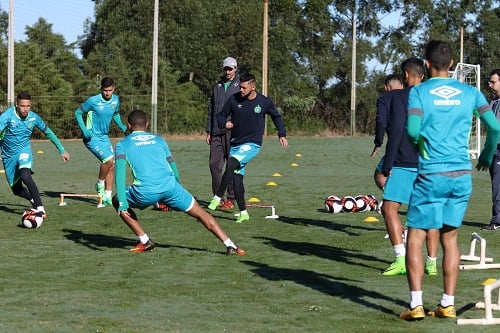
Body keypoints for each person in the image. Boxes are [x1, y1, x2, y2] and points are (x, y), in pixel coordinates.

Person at [400, 40, 500, 321]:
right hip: (461, 174)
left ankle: (416, 304)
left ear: (427, 65)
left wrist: (418, 143)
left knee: (417, 236)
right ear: (453, 65)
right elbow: (495, 126)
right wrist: (487, 154)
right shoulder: (470, 92)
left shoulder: (419, 92)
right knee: (451, 238)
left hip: (431, 173)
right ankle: (447, 303)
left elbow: (412, 129)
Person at [113, 109, 245, 255]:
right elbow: (173, 167)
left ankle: (144, 240)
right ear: (147, 124)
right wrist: (174, 188)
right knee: (201, 213)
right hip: (171, 187)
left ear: (129, 125)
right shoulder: (159, 139)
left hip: (146, 192)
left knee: (116, 199)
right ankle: (230, 244)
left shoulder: (122, 144)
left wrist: (122, 202)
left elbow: (119, 174)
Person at [378, 58, 439, 276]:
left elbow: (393, 131)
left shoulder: (395, 97)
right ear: (423, 74)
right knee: (428, 212)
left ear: (405, 75)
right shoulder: (433, 97)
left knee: (389, 208)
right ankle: (431, 263)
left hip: (403, 161)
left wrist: (387, 163)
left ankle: (401, 259)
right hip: (430, 162)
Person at [207, 72, 288, 223]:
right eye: (240, 87)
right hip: (235, 143)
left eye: (244, 87)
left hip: (252, 144)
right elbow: (220, 115)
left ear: (253, 86)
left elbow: (276, 116)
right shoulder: (234, 99)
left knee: (231, 163)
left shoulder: (264, 102)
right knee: (237, 178)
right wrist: (224, 123)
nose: (241, 90)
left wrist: (281, 134)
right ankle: (244, 212)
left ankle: (217, 197)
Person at [0, 91, 71, 217]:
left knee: (25, 175)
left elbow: (48, 132)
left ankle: (40, 208)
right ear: (17, 104)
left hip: (24, 151)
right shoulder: (6, 116)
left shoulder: (34, 118)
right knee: (16, 190)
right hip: (8, 156)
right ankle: (33, 200)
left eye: (28, 106)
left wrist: (62, 150)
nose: (25, 109)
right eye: (23, 106)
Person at [74, 77, 127, 206]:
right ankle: (99, 184)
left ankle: (107, 196)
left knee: (112, 165)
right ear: (101, 89)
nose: (107, 93)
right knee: (108, 160)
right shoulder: (93, 101)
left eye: (110, 90)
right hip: (91, 137)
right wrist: (84, 130)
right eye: (105, 90)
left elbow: (115, 114)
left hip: (104, 137)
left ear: (113, 88)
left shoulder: (116, 100)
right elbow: (77, 113)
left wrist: (122, 126)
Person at [205, 57, 241, 210]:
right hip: (216, 132)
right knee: (214, 164)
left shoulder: (241, 86)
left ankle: (231, 199)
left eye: (230, 69)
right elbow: (211, 109)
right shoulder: (217, 86)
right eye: (225, 68)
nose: (227, 71)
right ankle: (218, 197)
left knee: (231, 165)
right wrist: (209, 130)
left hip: (233, 132)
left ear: (235, 69)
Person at [370, 74, 404, 190]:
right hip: (417, 144)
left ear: (386, 87)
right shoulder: (412, 96)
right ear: (402, 85)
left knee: (380, 175)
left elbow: (381, 121)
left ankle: (392, 199)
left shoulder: (384, 99)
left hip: (396, 145)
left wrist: (378, 142)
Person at [482, 69, 500, 231]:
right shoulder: (493, 101)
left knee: (498, 186)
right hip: (493, 150)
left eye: (493, 81)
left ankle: (497, 220)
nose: (490, 84)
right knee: (496, 186)